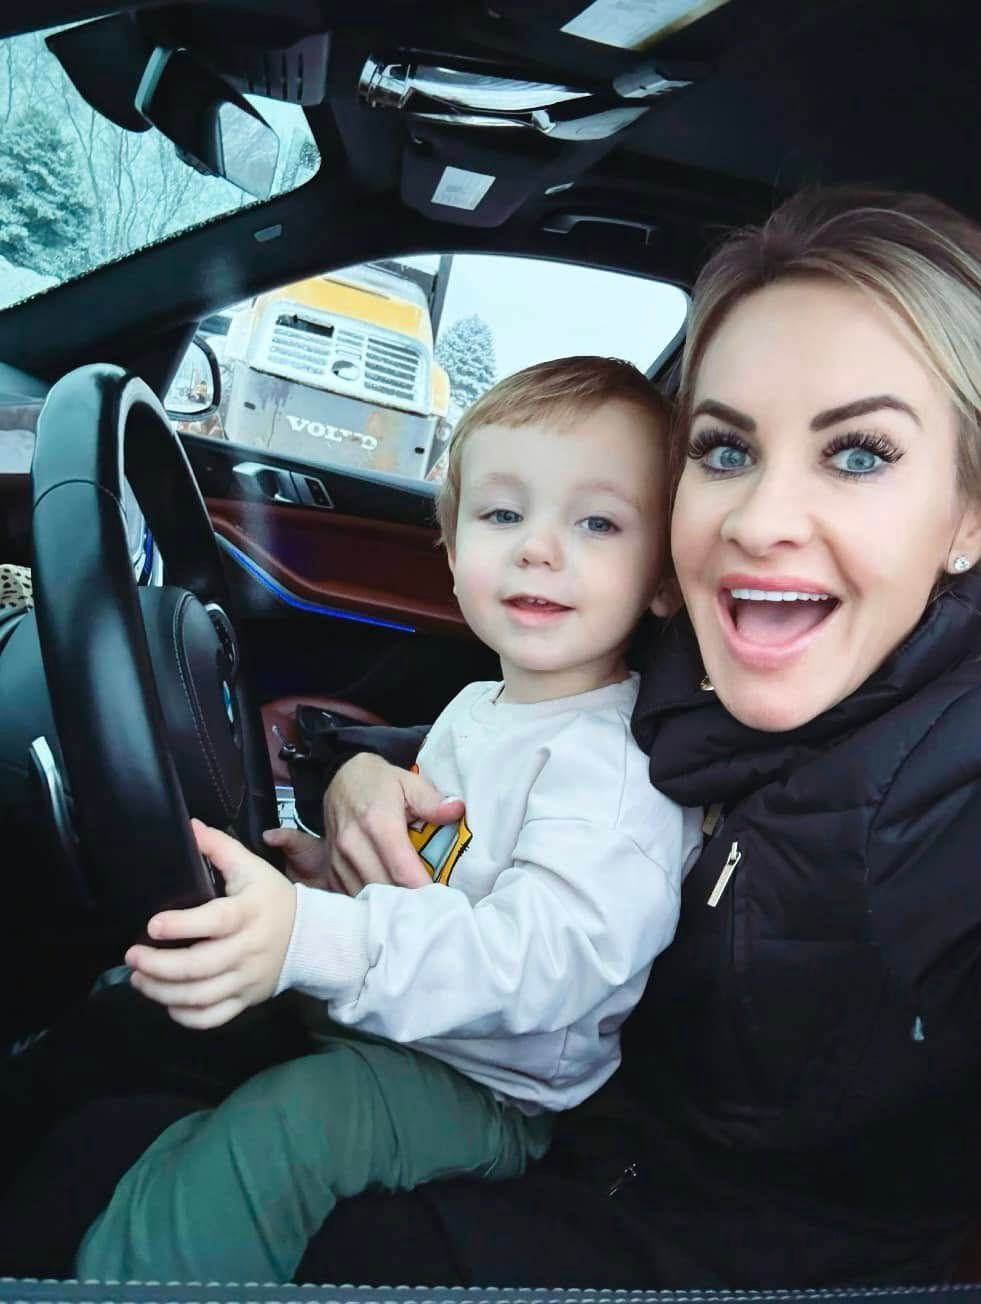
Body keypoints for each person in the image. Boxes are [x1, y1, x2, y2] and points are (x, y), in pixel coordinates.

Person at [4, 183, 981, 1292]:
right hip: (483, 1063)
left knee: (239, 1165)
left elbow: (551, 941)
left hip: (623, 1175)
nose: (762, 519)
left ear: (974, 509)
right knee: (123, 1078)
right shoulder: (679, 663)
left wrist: (320, 937)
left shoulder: (959, 797)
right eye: (725, 450)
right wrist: (350, 795)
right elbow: (466, 804)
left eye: (860, 452)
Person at [74, 356, 703, 1284]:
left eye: (598, 523)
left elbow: (538, 967)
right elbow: (438, 867)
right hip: (402, 1016)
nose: (537, 548)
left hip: (492, 1086)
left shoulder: (617, 775)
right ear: (449, 550)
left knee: (290, 1131)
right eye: (501, 513)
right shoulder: (480, 706)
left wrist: (321, 936)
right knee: (141, 1002)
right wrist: (330, 873)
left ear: (662, 578)